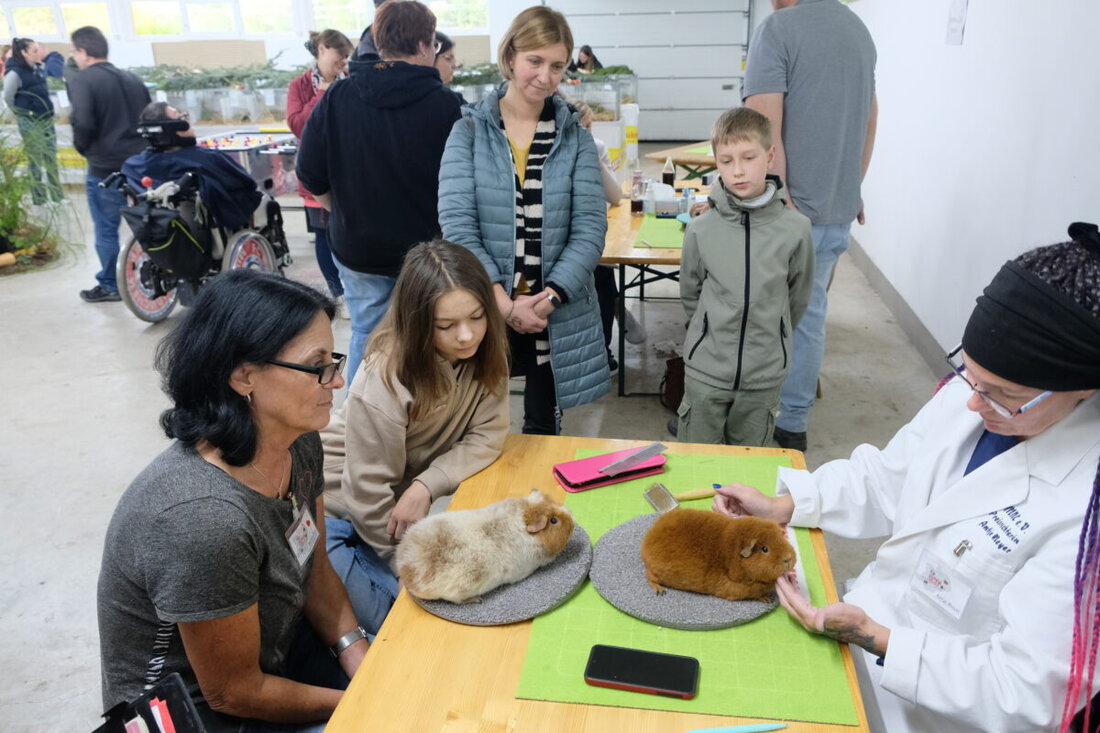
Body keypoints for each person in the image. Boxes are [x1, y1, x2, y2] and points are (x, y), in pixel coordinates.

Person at [710, 226, 1100, 732]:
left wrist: (882, 638)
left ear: (1085, 390)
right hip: (859, 632)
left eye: (1002, 393)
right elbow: (888, 477)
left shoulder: (1083, 511)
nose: (973, 403)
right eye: (969, 375)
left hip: (932, 712)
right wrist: (784, 505)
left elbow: (1025, 692)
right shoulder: (976, 398)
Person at [97, 269, 370, 732]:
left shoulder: (298, 441)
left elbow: (315, 567)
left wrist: (358, 656)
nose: (337, 382)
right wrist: (363, 699)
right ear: (244, 376)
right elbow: (232, 692)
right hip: (197, 711)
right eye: (317, 365)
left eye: (335, 360)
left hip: (274, 648)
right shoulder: (203, 519)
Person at [320, 240, 509, 629]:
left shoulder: (486, 350)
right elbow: (367, 492)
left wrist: (425, 485)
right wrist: (407, 565)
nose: (466, 336)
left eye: (476, 317)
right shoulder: (386, 375)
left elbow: (487, 436)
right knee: (402, 621)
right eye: (446, 326)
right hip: (335, 508)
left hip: (395, 503)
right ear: (418, 324)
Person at [439, 6, 609, 435]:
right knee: (478, 429)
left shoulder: (575, 136)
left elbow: (590, 228)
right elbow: (458, 226)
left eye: (557, 65)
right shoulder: (470, 131)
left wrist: (548, 299)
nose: (546, 76)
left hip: (552, 311)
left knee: (542, 429)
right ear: (510, 56)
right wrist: (505, 305)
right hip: (485, 309)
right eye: (535, 61)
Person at [297, 0, 464, 384]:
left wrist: (342, 211)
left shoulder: (337, 98)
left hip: (358, 248)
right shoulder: (446, 106)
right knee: (433, 341)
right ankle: (427, 427)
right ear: (426, 45)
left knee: (368, 336)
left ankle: (361, 426)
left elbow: (309, 172)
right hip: (428, 254)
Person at [742, 0, 877, 451]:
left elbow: (760, 129)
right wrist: (852, 185)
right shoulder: (856, 29)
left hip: (788, 209)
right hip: (836, 206)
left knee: (757, 317)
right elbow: (870, 117)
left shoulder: (778, 29)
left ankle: (758, 422)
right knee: (809, 316)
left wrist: (779, 195)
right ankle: (791, 422)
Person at [677, 107, 813, 446]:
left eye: (748, 157)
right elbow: (690, 293)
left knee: (751, 467)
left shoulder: (796, 229)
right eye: (726, 161)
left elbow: (798, 297)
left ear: (769, 156)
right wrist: (707, 331)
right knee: (695, 460)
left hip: (763, 374)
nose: (737, 171)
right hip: (706, 370)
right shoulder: (701, 229)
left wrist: (774, 333)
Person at [67, 25, 151, 303]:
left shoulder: (83, 81)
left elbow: (84, 121)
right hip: (139, 165)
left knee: (106, 227)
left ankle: (111, 283)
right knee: (149, 221)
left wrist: (83, 148)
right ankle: (156, 272)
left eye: (74, 52)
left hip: (105, 166)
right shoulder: (132, 79)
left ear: (83, 51)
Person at [121, 102, 261, 232]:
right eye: (181, 117)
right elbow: (247, 183)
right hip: (210, 227)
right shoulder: (207, 159)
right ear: (174, 128)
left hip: (160, 228)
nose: (187, 120)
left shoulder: (133, 165)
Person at [287, 29, 352, 304]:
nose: (343, 63)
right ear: (323, 49)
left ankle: (352, 286)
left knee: (349, 229)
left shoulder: (351, 82)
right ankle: (337, 292)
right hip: (315, 173)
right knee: (324, 235)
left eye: (347, 57)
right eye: (340, 56)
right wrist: (322, 94)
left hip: (349, 171)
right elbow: (298, 124)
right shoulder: (299, 86)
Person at [2, 37, 65, 206]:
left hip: (46, 119)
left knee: (51, 157)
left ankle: (57, 196)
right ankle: (39, 198)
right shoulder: (14, 73)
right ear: (24, 53)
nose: (39, 54)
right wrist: (21, 113)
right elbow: (8, 96)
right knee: (36, 160)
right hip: (30, 121)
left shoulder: (38, 68)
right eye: (35, 51)